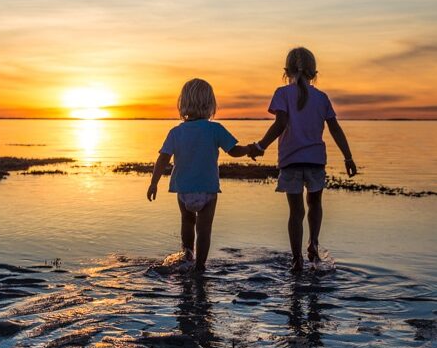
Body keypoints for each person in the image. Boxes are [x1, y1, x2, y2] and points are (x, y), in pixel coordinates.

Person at [250, 47, 357, 272]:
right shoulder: (322, 98)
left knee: (296, 212)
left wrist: (260, 146)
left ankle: (297, 258)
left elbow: (280, 124)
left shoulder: (282, 93)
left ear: (286, 71)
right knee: (315, 204)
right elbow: (335, 129)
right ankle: (314, 244)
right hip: (316, 160)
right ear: (314, 73)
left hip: (290, 161)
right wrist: (348, 157)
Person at [147, 78, 256, 273]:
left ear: (183, 104)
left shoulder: (176, 132)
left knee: (187, 223)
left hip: (183, 189)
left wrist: (153, 183)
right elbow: (234, 151)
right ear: (210, 105)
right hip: (208, 190)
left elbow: (163, 159)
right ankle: (200, 267)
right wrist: (251, 148)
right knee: (204, 230)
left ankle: (187, 255)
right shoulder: (215, 129)